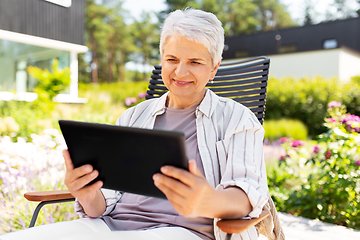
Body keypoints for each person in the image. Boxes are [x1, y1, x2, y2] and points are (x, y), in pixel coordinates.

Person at [1, 8, 269, 240]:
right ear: (161, 60)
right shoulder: (133, 117)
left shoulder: (237, 119)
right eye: (172, 60)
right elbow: (102, 203)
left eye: (195, 62)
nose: (180, 72)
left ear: (214, 68)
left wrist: (206, 200)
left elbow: (247, 195)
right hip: (107, 227)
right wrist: (85, 192)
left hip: (183, 232)